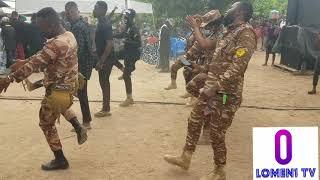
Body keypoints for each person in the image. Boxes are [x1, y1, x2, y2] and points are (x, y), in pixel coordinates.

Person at [164, 2, 256, 180]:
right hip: (209, 88)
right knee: (193, 119)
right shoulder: (228, 33)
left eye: (232, 7)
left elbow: (238, 66)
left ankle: (219, 171)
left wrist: (216, 86)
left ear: (241, 12)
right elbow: (212, 59)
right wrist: (201, 72)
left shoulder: (245, 33)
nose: (228, 9)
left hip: (225, 95)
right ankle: (186, 157)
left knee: (216, 133)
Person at [0, 7, 88, 171]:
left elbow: (36, 64)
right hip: (70, 87)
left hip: (57, 92)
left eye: (42, 28)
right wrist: (25, 60)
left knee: (46, 123)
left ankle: (60, 159)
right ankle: (78, 126)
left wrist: (8, 79)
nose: (40, 31)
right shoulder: (69, 35)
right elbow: (44, 55)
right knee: (62, 107)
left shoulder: (55, 44)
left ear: (52, 24)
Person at [65, 1, 96, 129]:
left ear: (71, 12)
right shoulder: (83, 24)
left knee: (82, 92)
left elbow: (79, 48)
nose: (66, 16)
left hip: (82, 64)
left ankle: (87, 122)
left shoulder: (77, 27)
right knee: (80, 91)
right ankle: (87, 119)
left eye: (67, 13)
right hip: (87, 62)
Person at [114, 9, 142, 107]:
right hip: (127, 52)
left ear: (131, 17)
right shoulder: (128, 26)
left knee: (126, 76)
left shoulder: (134, 28)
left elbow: (139, 43)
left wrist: (127, 42)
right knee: (112, 56)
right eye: (124, 17)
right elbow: (122, 35)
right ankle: (125, 70)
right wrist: (112, 35)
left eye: (126, 17)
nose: (125, 18)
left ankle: (129, 98)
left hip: (133, 54)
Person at [93, 1, 117, 117]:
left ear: (102, 10)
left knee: (104, 82)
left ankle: (106, 109)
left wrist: (101, 61)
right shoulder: (102, 21)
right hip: (105, 57)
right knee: (103, 81)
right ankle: (105, 107)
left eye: (96, 8)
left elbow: (109, 44)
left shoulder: (105, 24)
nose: (94, 10)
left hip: (106, 58)